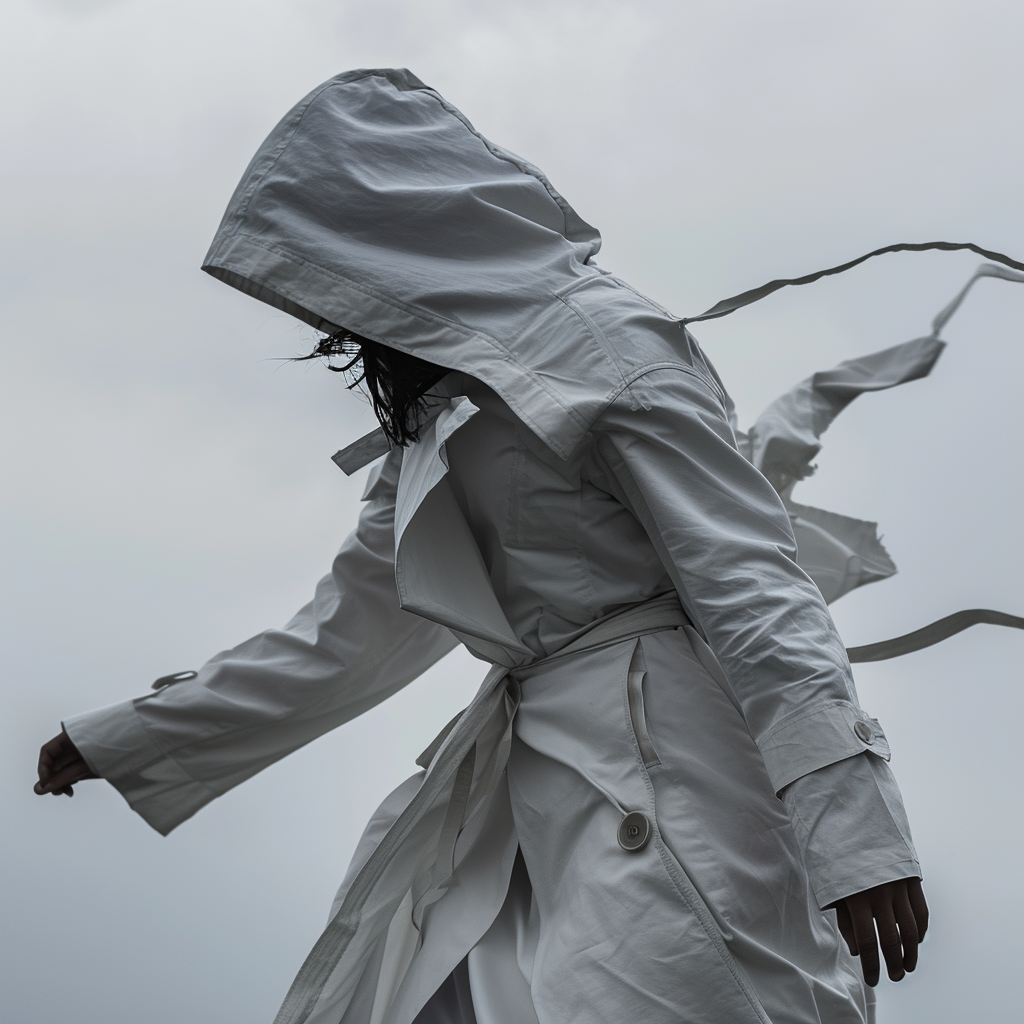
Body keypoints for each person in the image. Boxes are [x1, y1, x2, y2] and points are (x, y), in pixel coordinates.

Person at [35, 68, 928, 1024]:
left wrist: (854, 823)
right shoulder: (440, 418)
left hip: (675, 768)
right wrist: (132, 736)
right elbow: (347, 635)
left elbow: (751, 581)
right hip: (530, 796)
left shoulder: (605, 336)